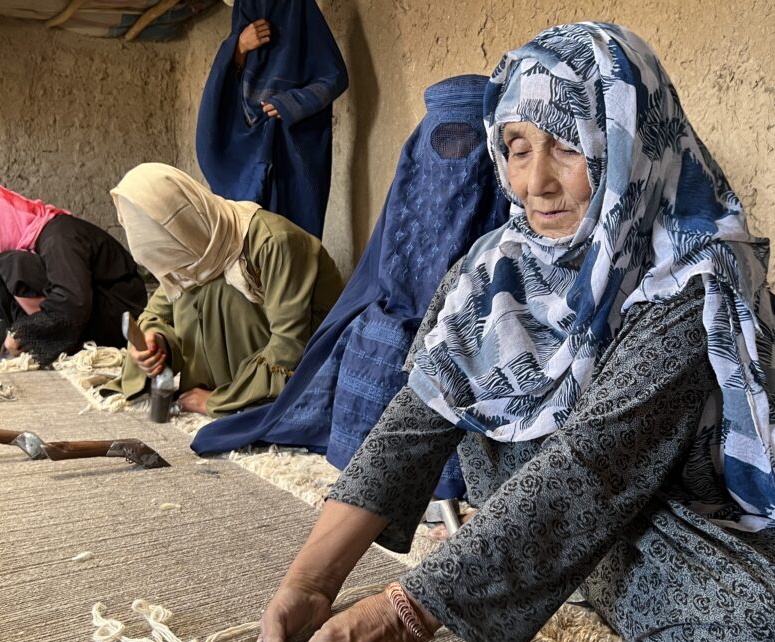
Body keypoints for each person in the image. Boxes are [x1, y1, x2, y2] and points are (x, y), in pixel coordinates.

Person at [256, 23, 775, 642]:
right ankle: (539, 559)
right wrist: (311, 579)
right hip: (546, 485)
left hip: (674, 503)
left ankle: (545, 562)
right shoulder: (494, 268)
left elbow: (592, 463)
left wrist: (401, 616)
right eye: (516, 146)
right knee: (515, 461)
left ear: (625, 145)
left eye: (567, 144)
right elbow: (412, 424)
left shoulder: (691, 280)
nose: (534, 181)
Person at [191, 73, 511, 500]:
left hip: (483, 316)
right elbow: (393, 266)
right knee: (374, 332)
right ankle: (365, 464)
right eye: (441, 143)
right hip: (404, 305)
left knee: (445, 351)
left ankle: (443, 480)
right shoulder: (414, 184)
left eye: (467, 144)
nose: (452, 158)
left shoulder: (512, 199)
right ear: (419, 149)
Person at [102, 163, 343, 416]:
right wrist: (155, 343)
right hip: (246, 365)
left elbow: (289, 349)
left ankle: (243, 393)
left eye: (174, 259)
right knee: (191, 288)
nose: (174, 271)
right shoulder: (196, 253)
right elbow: (157, 314)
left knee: (215, 290)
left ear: (184, 223)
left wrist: (217, 402)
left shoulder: (274, 243)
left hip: (309, 365)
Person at [195, 0, 348, 239]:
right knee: (251, 238)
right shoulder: (245, 11)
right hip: (249, 146)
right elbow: (225, 93)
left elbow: (334, 77)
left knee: (294, 240)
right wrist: (239, 48)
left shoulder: (299, 10)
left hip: (294, 151)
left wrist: (291, 103)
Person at [0, 183, 147, 366]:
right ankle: (42, 335)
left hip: (121, 317)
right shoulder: (28, 239)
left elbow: (72, 303)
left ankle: (55, 340)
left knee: (13, 264)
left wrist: (25, 333)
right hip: (92, 306)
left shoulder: (58, 238)